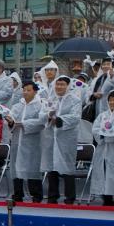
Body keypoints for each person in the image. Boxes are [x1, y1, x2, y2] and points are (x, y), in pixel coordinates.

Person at [40, 76, 84, 205]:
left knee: (67, 168)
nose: (59, 87)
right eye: (57, 84)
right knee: (51, 167)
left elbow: (75, 117)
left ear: (68, 86)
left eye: (62, 84)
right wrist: (48, 116)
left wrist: (58, 120)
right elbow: (42, 114)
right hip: (51, 137)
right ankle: (52, 196)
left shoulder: (75, 100)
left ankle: (70, 197)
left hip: (66, 138)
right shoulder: (50, 99)